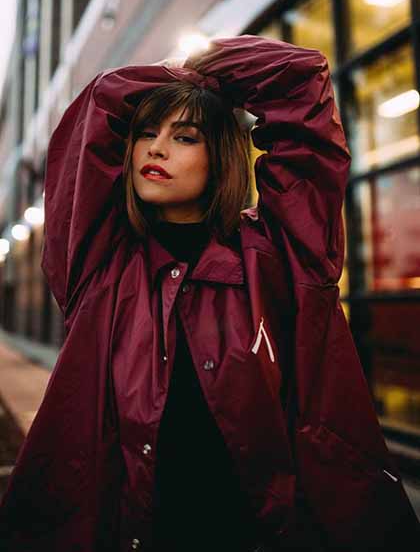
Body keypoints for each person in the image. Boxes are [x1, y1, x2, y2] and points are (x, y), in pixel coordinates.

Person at [0, 34, 419, 551]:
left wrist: (204, 66)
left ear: (220, 153)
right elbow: (99, 104)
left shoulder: (280, 255)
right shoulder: (101, 265)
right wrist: (175, 77)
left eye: (185, 137)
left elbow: (303, 80)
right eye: (146, 134)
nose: (156, 148)